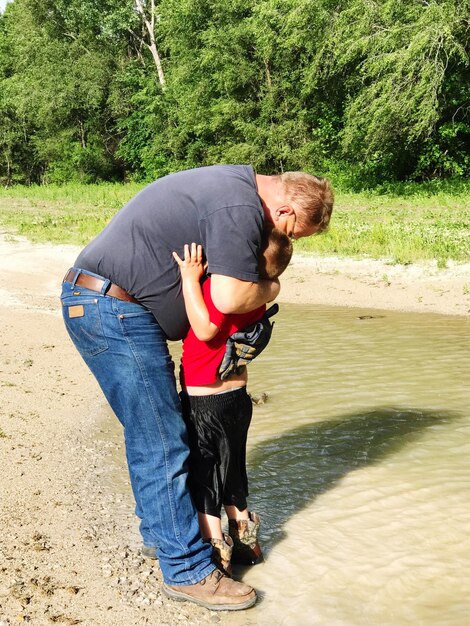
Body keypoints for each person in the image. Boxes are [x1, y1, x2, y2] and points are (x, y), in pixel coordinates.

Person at [60, 165, 333, 611]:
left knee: (155, 432)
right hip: (110, 308)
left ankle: (162, 534)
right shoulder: (240, 206)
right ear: (284, 210)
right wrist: (274, 283)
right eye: (295, 232)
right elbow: (228, 298)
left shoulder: (235, 190)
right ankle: (187, 571)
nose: (290, 240)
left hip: (108, 305)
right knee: (164, 440)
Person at [173, 228, 293, 576]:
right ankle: (247, 545)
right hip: (238, 401)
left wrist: (190, 279)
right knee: (234, 470)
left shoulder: (222, 291)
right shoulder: (260, 293)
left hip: (204, 403)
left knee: (206, 477)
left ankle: (217, 556)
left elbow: (205, 328)